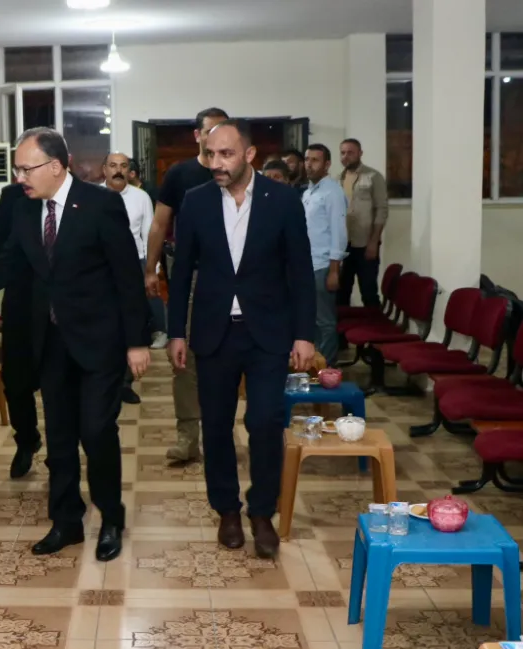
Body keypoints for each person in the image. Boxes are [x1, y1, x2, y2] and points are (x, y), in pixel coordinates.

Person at [0, 127, 151, 562]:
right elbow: (4, 269)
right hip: (50, 343)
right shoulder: (26, 210)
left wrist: (137, 342)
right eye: (17, 170)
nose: (19, 178)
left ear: (55, 166)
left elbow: (128, 276)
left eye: (25, 169)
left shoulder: (101, 204)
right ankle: (66, 521)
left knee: (96, 431)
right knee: (61, 435)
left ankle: (110, 516)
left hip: (99, 342)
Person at [166, 119, 316, 559]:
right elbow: (181, 272)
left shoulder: (282, 200)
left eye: (226, 154)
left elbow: (300, 271)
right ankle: (228, 510)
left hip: (267, 331)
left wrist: (304, 334)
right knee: (215, 425)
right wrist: (175, 331)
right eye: (210, 154)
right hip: (214, 331)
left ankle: (262, 511)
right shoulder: (195, 201)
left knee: (265, 421)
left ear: (249, 155)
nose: (216, 163)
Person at [144, 106, 228, 463]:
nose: (216, 140)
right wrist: (151, 269)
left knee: (225, 357)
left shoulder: (236, 173)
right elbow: (160, 223)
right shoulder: (180, 174)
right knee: (185, 358)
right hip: (189, 275)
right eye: (210, 132)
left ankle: (219, 434)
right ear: (197, 135)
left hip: (230, 279)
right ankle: (188, 435)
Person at [0, 181, 41, 478]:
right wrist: (18, 253)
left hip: (62, 303)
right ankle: (26, 439)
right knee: (16, 378)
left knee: (59, 381)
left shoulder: (77, 195)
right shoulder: (13, 196)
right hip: (20, 298)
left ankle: (61, 450)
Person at [103, 152, 161, 404]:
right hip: (101, 267)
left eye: (123, 166)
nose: (118, 170)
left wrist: (151, 270)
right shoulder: (92, 195)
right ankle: (107, 381)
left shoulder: (141, 197)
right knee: (107, 324)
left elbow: (150, 233)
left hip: (134, 265)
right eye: (113, 165)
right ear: (104, 169)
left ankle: (125, 383)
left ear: (130, 171)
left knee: (132, 322)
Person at [302, 144, 348, 367]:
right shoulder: (309, 192)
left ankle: (327, 368)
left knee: (325, 322)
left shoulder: (332, 192)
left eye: (315, 160)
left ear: (327, 164)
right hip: (308, 265)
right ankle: (315, 366)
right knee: (311, 321)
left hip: (323, 266)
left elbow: (339, 233)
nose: (309, 165)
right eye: (307, 159)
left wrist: (334, 270)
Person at [337, 138, 388, 308]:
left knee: (368, 291)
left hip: (365, 243)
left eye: (350, 152)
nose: (346, 156)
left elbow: (381, 210)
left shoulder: (373, 177)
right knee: (341, 292)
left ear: (360, 153)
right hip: (343, 245)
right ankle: (345, 325)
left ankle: (374, 324)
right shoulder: (337, 179)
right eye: (343, 153)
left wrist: (374, 242)